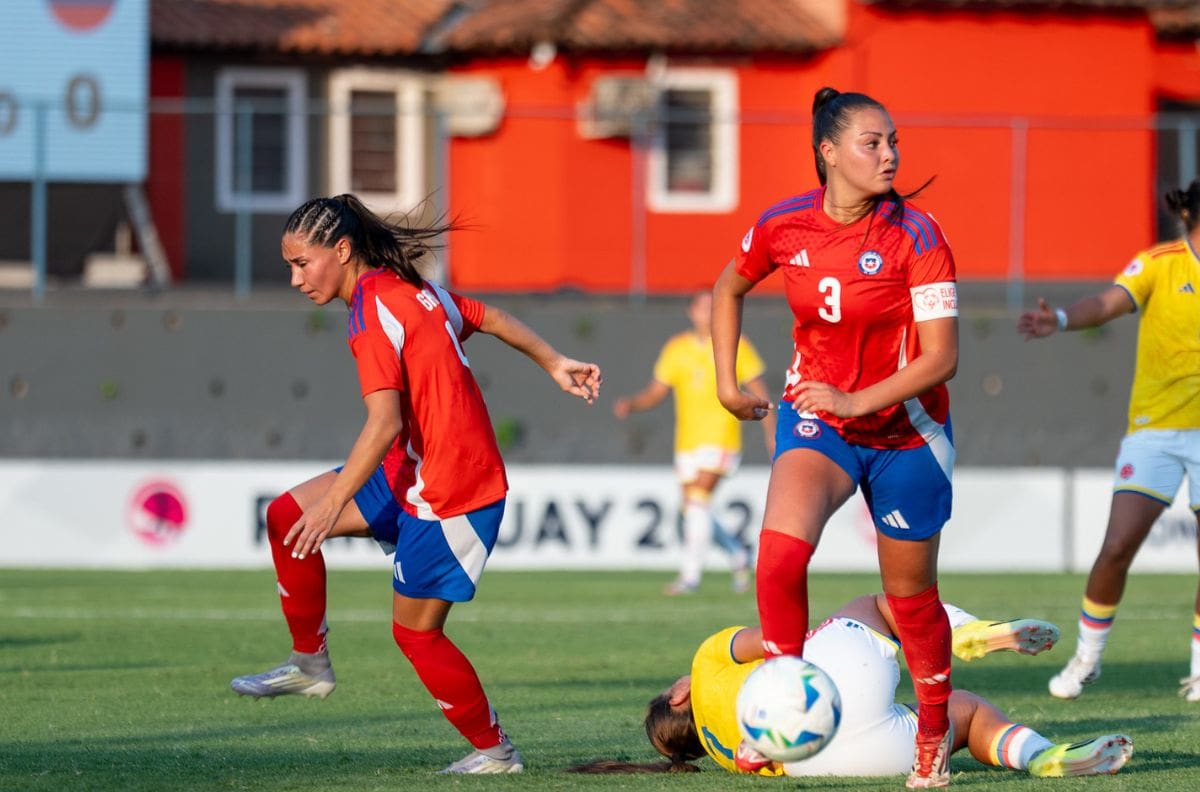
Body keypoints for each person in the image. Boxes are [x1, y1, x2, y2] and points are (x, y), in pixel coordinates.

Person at [228, 194, 602, 775]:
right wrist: (553, 361)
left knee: (416, 636)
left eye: (303, 263)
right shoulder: (406, 291)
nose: (295, 278)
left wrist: (332, 506)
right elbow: (486, 316)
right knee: (284, 516)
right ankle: (310, 664)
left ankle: (495, 752)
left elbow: (384, 423)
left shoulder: (372, 313)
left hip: (455, 488)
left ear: (342, 250)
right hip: (411, 470)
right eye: (290, 266)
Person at [710, 87, 960, 787]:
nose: (891, 155)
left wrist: (857, 397)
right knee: (778, 557)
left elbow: (941, 359)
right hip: (817, 419)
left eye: (893, 142)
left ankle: (935, 730)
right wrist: (726, 382)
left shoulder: (918, 233)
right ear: (828, 153)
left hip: (909, 434)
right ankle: (777, 710)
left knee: (910, 601)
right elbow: (728, 288)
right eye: (872, 143)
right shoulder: (783, 223)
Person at [570, 594, 1133, 780]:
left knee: (961, 713)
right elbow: (776, 638)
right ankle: (964, 630)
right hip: (821, 680)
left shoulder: (715, 755)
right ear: (677, 697)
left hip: (824, 760)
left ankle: (1043, 759)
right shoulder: (704, 663)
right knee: (883, 603)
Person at [1017, 179, 1200, 703]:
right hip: (1155, 434)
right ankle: (1087, 660)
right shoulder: (1161, 262)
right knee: (1117, 545)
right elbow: (1108, 302)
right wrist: (1061, 319)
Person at [612, 291, 776, 595]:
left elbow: (759, 390)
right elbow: (656, 391)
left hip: (723, 436)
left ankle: (689, 577)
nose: (706, 313)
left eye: (712, 307)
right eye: (701, 307)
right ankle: (738, 553)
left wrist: (771, 432)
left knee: (698, 499)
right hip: (687, 442)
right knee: (695, 508)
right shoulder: (677, 348)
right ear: (691, 312)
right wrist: (632, 404)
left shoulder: (736, 344)